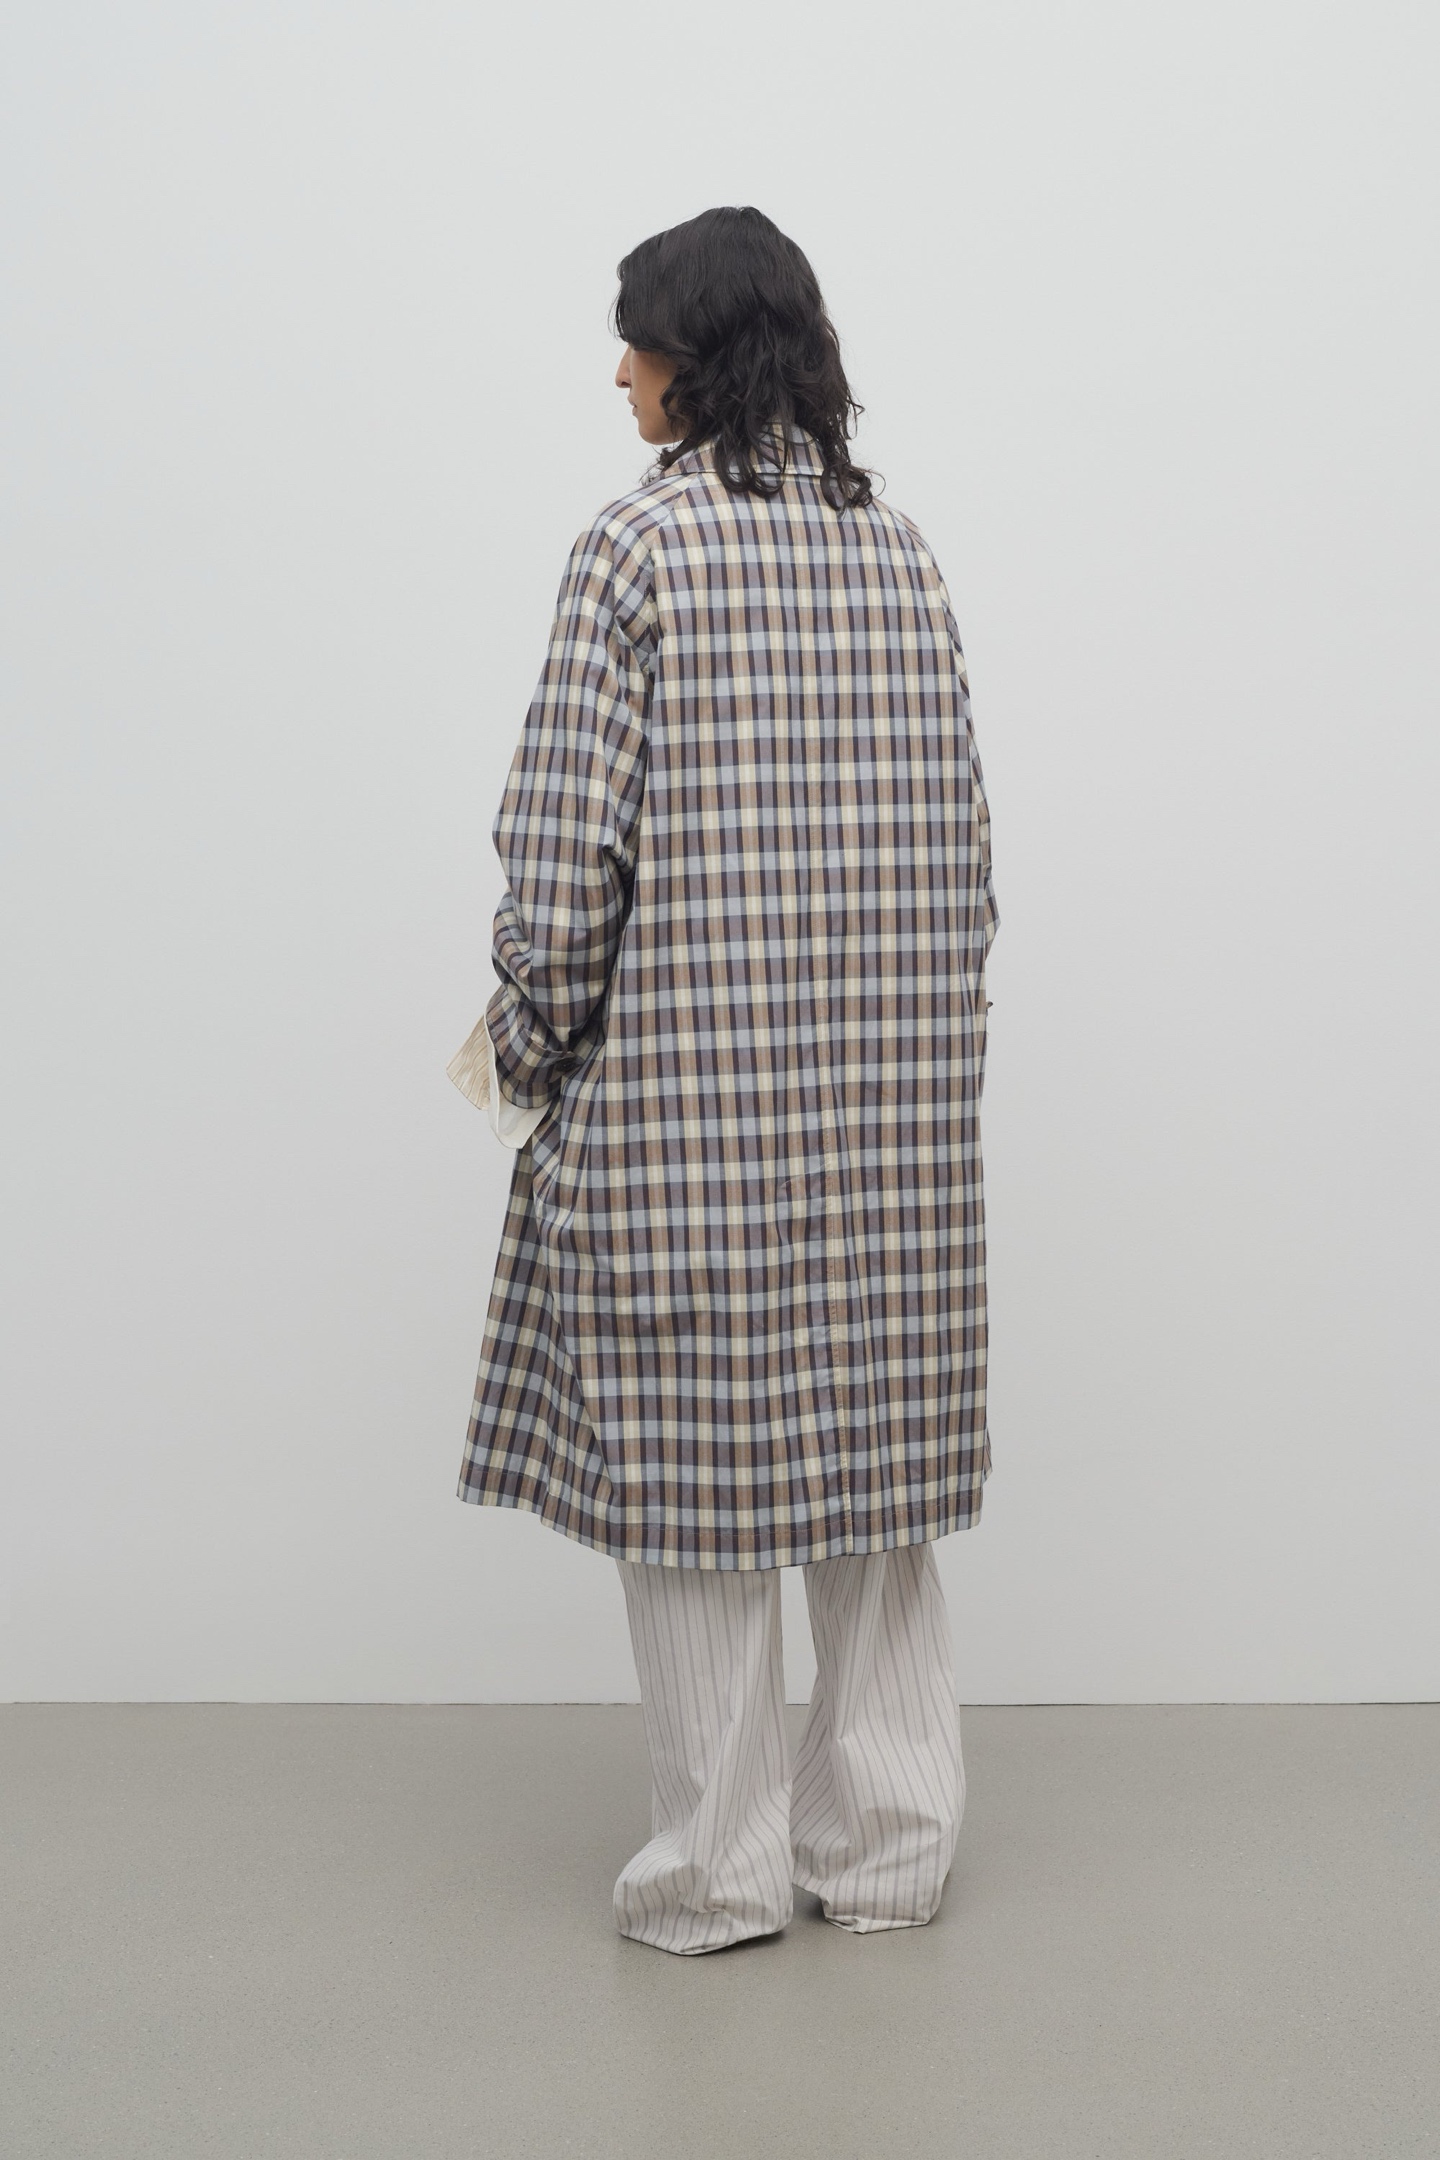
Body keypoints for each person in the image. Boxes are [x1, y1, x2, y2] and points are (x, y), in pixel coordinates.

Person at [447, 206, 999, 1955]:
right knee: (878, 1492)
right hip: (892, 1127)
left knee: (696, 1509)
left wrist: (525, 1043)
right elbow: (970, 855)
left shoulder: (636, 550)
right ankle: (889, 1853)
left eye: (638, 341)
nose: (618, 372)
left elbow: (563, 861)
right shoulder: (897, 550)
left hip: (689, 1113)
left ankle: (719, 1872)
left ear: (697, 358)